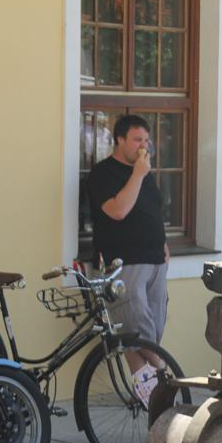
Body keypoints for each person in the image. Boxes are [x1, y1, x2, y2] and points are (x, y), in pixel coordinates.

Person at [87, 114, 170, 405]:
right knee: (136, 328)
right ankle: (165, 376)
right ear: (119, 140)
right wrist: (137, 174)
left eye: (146, 141)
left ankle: (152, 400)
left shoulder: (144, 173)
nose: (143, 146)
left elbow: (153, 211)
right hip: (124, 264)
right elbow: (118, 211)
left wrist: (164, 244)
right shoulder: (103, 174)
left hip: (155, 262)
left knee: (149, 331)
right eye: (137, 140)